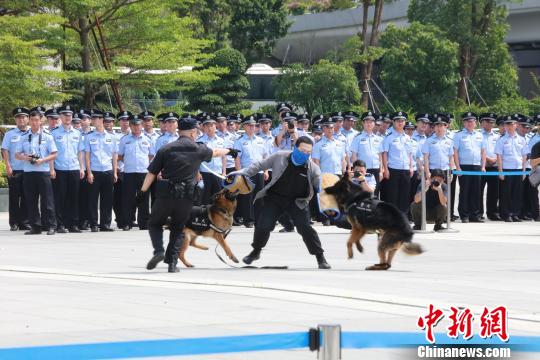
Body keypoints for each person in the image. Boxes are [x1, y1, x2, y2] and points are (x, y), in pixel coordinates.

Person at [139, 116, 235, 273]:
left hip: (166, 195)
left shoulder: (166, 149)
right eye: (196, 132)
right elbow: (216, 152)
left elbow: (151, 173)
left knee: (154, 223)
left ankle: (158, 251)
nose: (197, 134)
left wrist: (142, 192)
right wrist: (230, 151)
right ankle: (172, 263)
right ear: (192, 133)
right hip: (186, 197)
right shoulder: (199, 148)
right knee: (178, 228)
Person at [237, 136, 331, 269]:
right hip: (275, 198)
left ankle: (320, 257)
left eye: (308, 153)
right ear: (294, 148)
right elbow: (259, 165)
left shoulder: (313, 169)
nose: (305, 154)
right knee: (263, 225)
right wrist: (243, 173)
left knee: (305, 228)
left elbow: (320, 189)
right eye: (302, 150)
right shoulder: (279, 156)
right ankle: (255, 251)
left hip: (297, 202)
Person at [15, 107, 58, 235]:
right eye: (32, 120)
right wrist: (25, 157)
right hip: (28, 172)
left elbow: (54, 154)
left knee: (47, 201)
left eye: (37, 120)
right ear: (29, 121)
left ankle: (51, 226)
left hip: (43, 172)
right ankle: (36, 226)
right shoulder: (24, 137)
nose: (34, 122)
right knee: (31, 201)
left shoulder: (47, 136)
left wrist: (43, 160)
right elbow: (17, 154)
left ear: (40, 122)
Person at [51, 105, 84, 233]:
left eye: (69, 115)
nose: (67, 117)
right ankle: (60, 224)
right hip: (60, 169)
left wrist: (82, 168)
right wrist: (52, 169)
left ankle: (73, 224)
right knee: (60, 198)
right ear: (60, 117)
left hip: (74, 169)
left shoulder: (77, 133)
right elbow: (52, 153)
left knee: (74, 198)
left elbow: (80, 152)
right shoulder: (54, 133)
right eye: (65, 115)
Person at [84, 109, 118, 232]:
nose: (93, 121)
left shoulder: (111, 137)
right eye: (92, 119)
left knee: (107, 199)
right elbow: (87, 155)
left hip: (108, 170)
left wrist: (114, 172)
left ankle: (105, 224)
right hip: (95, 170)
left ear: (101, 120)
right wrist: (89, 172)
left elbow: (114, 156)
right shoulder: (89, 137)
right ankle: (93, 224)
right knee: (93, 199)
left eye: (95, 119)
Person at [117, 115, 153, 231]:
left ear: (142, 125)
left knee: (144, 197)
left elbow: (151, 155)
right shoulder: (124, 140)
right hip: (129, 172)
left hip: (143, 172)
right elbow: (120, 156)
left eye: (138, 125)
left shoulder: (148, 139)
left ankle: (143, 223)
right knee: (128, 198)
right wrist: (130, 162)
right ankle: (127, 222)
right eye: (133, 125)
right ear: (130, 126)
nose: (136, 127)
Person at [233, 115, 268, 228]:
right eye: (249, 125)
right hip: (247, 172)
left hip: (259, 172)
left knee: (260, 197)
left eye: (254, 125)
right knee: (247, 197)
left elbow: (265, 157)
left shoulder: (260, 140)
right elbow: (237, 159)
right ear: (244, 126)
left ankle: (259, 219)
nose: (252, 127)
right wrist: (239, 174)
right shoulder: (240, 141)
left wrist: (266, 171)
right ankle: (248, 220)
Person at [453, 112, 486, 223]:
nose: (469, 123)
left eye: (471, 121)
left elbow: (483, 151)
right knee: (465, 191)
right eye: (467, 121)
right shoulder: (458, 135)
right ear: (464, 123)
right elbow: (455, 152)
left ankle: (475, 215)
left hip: (477, 165)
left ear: (475, 123)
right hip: (464, 166)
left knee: (476, 191)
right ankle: (464, 215)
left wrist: (483, 166)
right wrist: (457, 167)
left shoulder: (480, 135)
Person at [494, 115, 528, 222]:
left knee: (517, 193)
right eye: (507, 124)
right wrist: (500, 171)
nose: (509, 127)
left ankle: (515, 214)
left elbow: (524, 156)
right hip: (507, 170)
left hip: (518, 170)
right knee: (506, 194)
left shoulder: (522, 140)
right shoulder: (501, 140)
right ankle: (507, 214)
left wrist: (523, 171)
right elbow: (499, 156)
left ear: (516, 125)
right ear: (504, 126)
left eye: (511, 124)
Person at [2, 107, 30, 231]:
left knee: (27, 197)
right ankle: (13, 223)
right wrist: (8, 165)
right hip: (15, 170)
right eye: (18, 117)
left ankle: (24, 222)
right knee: (14, 197)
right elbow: (5, 150)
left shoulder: (32, 133)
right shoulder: (10, 134)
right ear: (15, 120)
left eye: (23, 117)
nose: (21, 119)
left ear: (28, 119)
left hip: (29, 170)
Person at [382, 111, 413, 214]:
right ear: (393, 122)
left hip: (405, 169)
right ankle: (393, 217)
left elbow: (410, 154)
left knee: (405, 195)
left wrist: (411, 167)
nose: (400, 123)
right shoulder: (389, 137)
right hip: (393, 169)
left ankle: (403, 216)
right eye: (398, 121)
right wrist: (385, 169)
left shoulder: (408, 138)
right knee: (393, 195)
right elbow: (385, 154)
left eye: (402, 121)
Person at [349, 111, 383, 196]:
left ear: (374, 124)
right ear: (363, 123)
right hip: (363, 171)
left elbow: (380, 156)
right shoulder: (358, 138)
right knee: (362, 194)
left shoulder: (378, 139)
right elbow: (354, 156)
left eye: (371, 122)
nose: (369, 124)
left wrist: (381, 171)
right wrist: (356, 170)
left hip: (375, 170)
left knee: (374, 194)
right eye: (367, 122)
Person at [197, 114, 227, 205]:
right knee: (205, 197)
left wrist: (224, 172)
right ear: (204, 127)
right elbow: (196, 158)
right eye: (207, 125)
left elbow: (224, 157)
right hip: (205, 173)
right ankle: (204, 218)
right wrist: (197, 173)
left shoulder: (221, 140)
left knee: (218, 197)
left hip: (218, 172)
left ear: (215, 126)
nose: (209, 128)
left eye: (212, 125)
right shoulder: (199, 141)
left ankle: (215, 217)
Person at [479, 113, 501, 221]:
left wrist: (495, 159)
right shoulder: (478, 135)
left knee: (494, 191)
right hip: (482, 166)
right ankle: (478, 213)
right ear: (482, 122)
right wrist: (487, 159)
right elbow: (477, 150)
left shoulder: (497, 136)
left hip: (494, 166)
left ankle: (492, 213)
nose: (490, 124)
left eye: (492, 122)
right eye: (487, 121)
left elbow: (500, 151)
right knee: (479, 191)